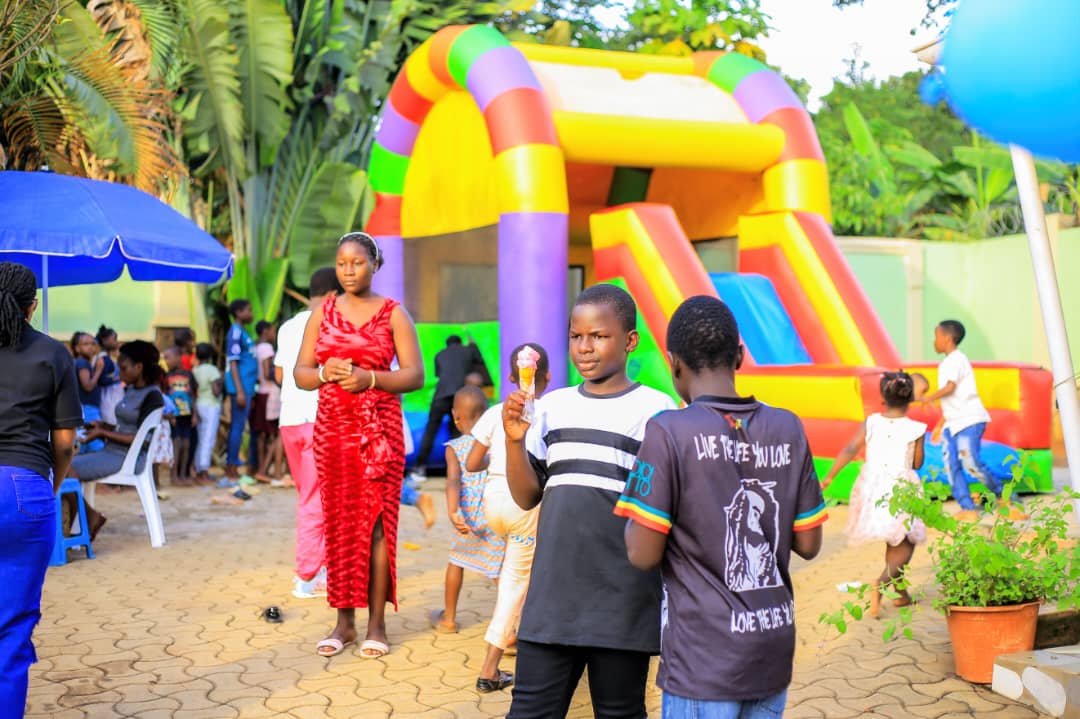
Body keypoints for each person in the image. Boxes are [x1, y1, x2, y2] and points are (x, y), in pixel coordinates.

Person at [617, 295, 827, 719]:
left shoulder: (668, 431)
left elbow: (642, 553)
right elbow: (808, 542)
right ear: (741, 356)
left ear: (673, 363)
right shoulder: (788, 427)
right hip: (770, 647)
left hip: (703, 657)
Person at [502, 284, 676, 719]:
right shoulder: (550, 408)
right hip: (552, 599)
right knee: (529, 712)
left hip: (621, 599)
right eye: (576, 336)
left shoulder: (656, 410)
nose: (585, 347)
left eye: (598, 336)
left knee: (619, 711)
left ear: (630, 341)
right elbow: (527, 497)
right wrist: (513, 442)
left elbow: (662, 508)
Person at [294, 232, 424, 659]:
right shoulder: (323, 312)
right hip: (332, 432)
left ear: (374, 264)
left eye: (358, 263)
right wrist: (325, 372)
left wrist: (371, 378)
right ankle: (343, 623)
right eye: (342, 263)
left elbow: (415, 376)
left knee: (378, 529)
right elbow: (301, 374)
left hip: (378, 435)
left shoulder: (393, 314)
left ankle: (377, 625)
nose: (349, 270)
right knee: (339, 525)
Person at [0, 262, 81, 715]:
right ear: (33, 306)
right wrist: (49, 486)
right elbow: (64, 443)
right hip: (22, 487)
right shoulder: (53, 354)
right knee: (11, 630)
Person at [466, 342, 550, 693]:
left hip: (493, 499)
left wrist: (496, 463)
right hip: (524, 502)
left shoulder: (495, 411)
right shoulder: (546, 412)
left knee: (511, 571)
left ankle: (512, 628)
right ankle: (490, 668)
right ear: (546, 377)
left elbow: (471, 463)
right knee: (517, 579)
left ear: (511, 376)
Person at [823, 371, 925, 618]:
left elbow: (850, 449)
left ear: (882, 397)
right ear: (910, 397)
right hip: (901, 488)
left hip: (873, 487)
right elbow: (917, 463)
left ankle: (900, 591)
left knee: (895, 538)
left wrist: (829, 477)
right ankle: (880, 585)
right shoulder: (916, 428)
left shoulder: (871, 422)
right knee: (906, 542)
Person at [917, 320, 1025, 522]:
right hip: (952, 424)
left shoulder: (957, 359)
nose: (935, 341)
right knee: (952, 466)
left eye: (937, 337)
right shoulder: (945, 363)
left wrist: (927, 398)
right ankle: (967, 507)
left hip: (969, 421)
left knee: (971, 462)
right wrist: (941, 425)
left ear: (947, 339)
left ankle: (1005, 497)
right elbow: (951, 400)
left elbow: (950, 388)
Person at [275, 267, 340, 599]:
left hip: (290, 420)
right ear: (332, 295)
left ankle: (323, 568)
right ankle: (305, 575)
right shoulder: (329, 323)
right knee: (315, 500)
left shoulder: (287, 326)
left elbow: (278, 372)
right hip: (318, 418)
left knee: (315, 496)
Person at [67, 340, 167, 539]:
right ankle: (84, 520)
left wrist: (103, 434)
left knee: (65, 470)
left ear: (139, 367)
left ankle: (89, 518)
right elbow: (126, 428)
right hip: (112, 452)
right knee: (61, 466)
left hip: (127, 458)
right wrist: (102, 426)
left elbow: (140, 438)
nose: (119, 374)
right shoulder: (131, 390)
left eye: (124, 368)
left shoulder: (153, 396)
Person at [430, 387, 506, 641]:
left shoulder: (454, 448)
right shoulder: (498, 444)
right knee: (499, 571)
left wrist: (454, 512)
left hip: (469, 518)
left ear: (455, 416)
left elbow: (453, 483)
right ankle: (510, 629)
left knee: (457, 562)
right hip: (497, 514)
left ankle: (448, 618)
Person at [411, 335, 476, 481]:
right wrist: (472, 344)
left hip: (440, 396)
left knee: (430, 431)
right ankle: (458, 470)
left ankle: (419, 468)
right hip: (458, 397)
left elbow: (439, 374)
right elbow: (477, 364)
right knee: (457, 432)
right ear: (460, 342)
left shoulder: (439, 354)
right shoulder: (467, 351)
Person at [224, 299, 258, 481]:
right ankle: (231, 468)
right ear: (238, 312)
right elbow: (233, 362)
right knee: (237, 427)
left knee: (239, 426)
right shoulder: (235, 332)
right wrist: (240, 391)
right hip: (240, 387)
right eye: (249, 310)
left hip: (246, 387)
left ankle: (233, 466)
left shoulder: (243, 332)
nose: (251, 314)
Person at [252, 320, 283, 483]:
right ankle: (265, 469)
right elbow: (266, 372)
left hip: (262, 392)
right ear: (265, 331)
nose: (274, 334)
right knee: (276, 433)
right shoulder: (267, 348)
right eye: (272, 331)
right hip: (271, 393)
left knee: (262, 434)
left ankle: (261, 469)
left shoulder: (257, 347)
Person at [164, 346, 196, 485]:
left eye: (168, 358)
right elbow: (164, 397)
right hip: (174, 416)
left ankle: (183, 475)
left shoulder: (188, 375)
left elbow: (193, 395)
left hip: (187, 414)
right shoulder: (166, 377)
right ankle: (174, 476)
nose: (166, 361)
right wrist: (169, 416)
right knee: (176, 445)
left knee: (186, 445)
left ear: (178, 358)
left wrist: (195, 414)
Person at [192, 343, 223, 485]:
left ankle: (199, 469)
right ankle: (204, 472)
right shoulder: (212, 370)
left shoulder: (195, 370)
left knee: (201, 439)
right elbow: (216, 391)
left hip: (199, 405)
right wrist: (221, 382)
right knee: (208, 439)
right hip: (211, 406)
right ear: (210, 356)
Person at [71, 332, 106, 453]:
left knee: (84, 440)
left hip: (85, 408)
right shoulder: (82, 363)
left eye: (93, 343)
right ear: (77, 348)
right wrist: (98, 370)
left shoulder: (81, 362)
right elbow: (88, 386)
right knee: (92, 438)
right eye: (86, 344)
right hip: (87, 409)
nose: (90, 347)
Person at [96, 325, 123, 426]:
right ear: (105, 340)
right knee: (111, 424)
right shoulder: (103, 359)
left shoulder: (107, 357)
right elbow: (102, 380)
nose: (116, 342)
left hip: (111, 396)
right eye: (114, 339)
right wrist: (118, 378)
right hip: (108, 398)